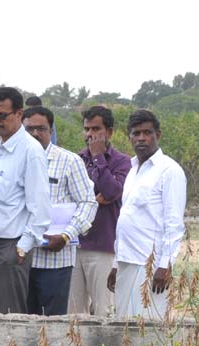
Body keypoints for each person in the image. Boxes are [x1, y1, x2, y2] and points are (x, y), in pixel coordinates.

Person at [0, 87, 51, 314]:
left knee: (7, 325)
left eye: (1, 115)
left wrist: (21, 249)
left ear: (19, 114)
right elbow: (1, 199)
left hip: (8, 250)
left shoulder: (30, 152)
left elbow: (41, 210)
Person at [108, 110, 186, 320]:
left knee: (147, 328)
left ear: (157, 135)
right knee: (123, 325)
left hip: (150, 267)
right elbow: (126, 220)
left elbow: (174, 223)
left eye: (147, 133)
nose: (141, 138)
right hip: (126, 260)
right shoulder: (133, 170)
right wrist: (116, 264)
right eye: (136, 133)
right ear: (129, 137)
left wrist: (164, 266)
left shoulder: (169, 170)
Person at [22, 105, 96, 316]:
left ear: (51, 130)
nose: (35, 133)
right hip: (22, 259)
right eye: (29, 129)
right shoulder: (15, 160)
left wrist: (66, 235)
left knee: (52, 327)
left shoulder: (69, 161)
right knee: (22, 323)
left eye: (41, 128)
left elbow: (88, 203)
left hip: (55, 261)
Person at [71, 105, 130, 316]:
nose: (90, 135)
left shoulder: (123, 162)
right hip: (76, 245)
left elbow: (112, 191)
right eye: (87, 129)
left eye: (96, 129)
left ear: (110, 132)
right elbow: (75, 197)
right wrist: (92, 199)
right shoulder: (77, 160)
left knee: (103, 310)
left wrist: (98, 158)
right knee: (73, 313)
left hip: (104, 247)